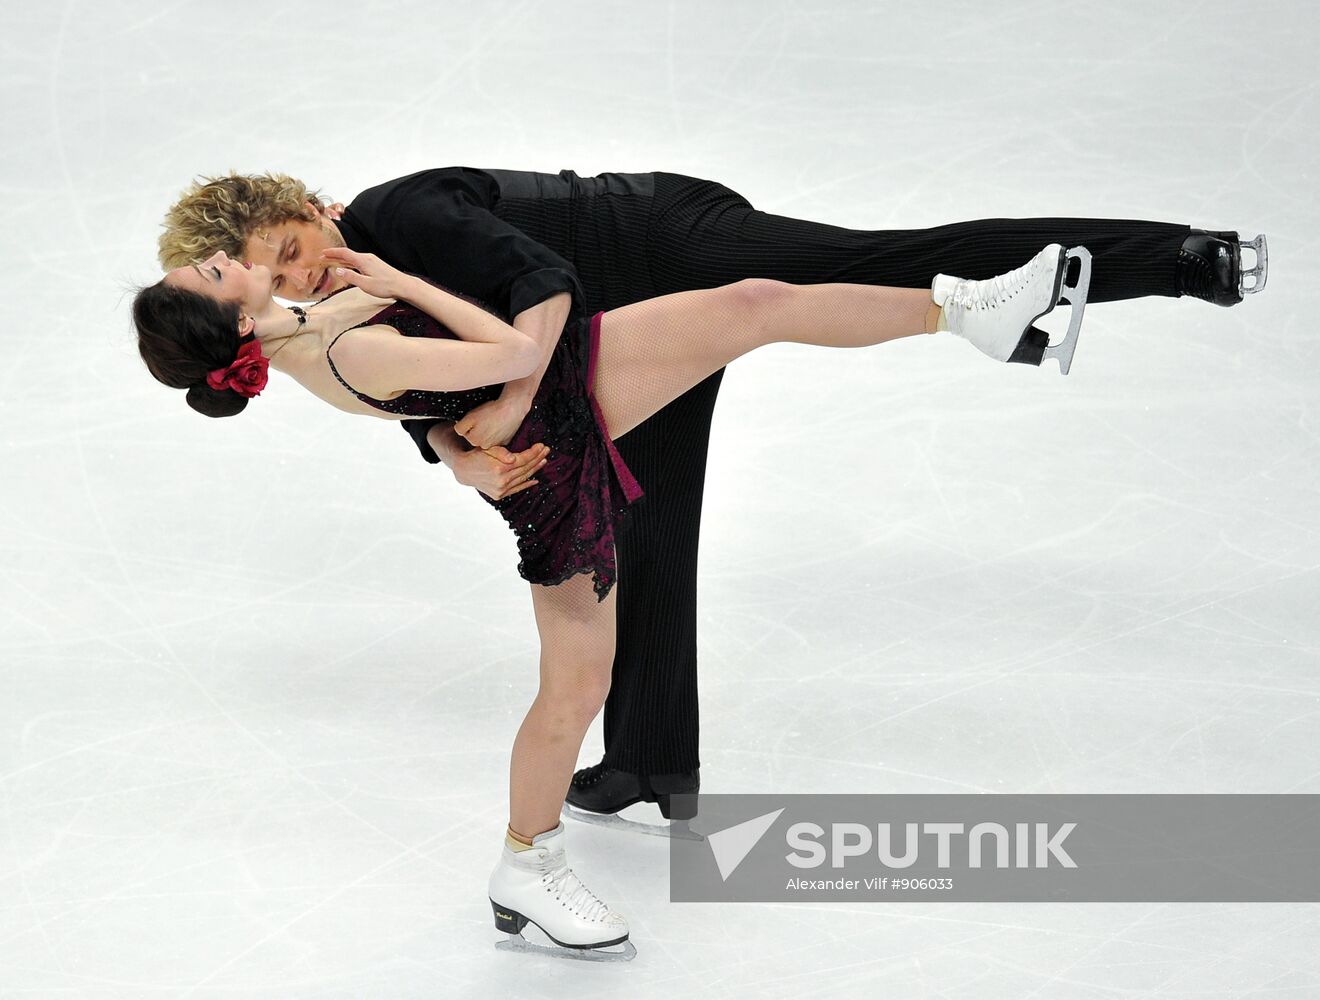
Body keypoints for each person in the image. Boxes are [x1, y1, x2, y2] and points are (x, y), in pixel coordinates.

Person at [156, 168, 1268, 830]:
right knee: (643, 524)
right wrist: (464, 452)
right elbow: (418, 390)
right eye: (281, 273)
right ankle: (650, 760)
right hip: (602, 345)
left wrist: (501, 411)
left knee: (885, 261)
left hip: (663, 241)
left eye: (292, 248)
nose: (301, 274)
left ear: (301, 205)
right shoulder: (336, 310)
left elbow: (541, 289)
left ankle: (1171, 260)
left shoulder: (405, 215)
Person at [134, 237, 1116, 957]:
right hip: (555, 438)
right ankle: (525, 865)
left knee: (753, 303)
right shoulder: (347, 349)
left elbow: (438, 413)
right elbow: (507, 361)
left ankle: (965, 312)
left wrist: (455, 441)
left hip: (561, 405)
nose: (225, 257)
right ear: (230, 323)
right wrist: (398, 289)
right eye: (214, 276)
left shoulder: (313, 327)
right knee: (575, 689)